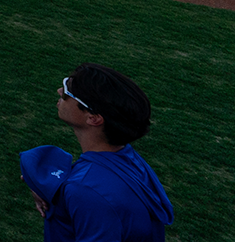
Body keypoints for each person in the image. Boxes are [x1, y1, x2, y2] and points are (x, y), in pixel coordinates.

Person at [26, 64, 173, 242]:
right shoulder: (131, 161)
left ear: (93, 118)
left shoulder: (86, 191)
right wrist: (46, 187)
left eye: (67, 92)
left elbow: (92, 193)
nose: (59, 91)